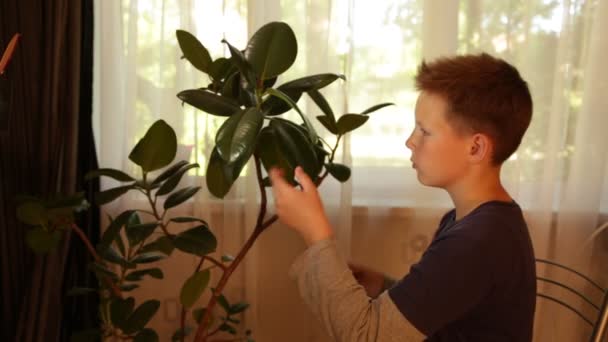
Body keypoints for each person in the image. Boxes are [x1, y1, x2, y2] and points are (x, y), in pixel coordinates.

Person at [268, 53, 536, 341]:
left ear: (476, 148)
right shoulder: (474, 221)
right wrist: (382, 285)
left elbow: (366, 337)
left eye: (424, 130)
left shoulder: (476, 241)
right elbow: (448, 307)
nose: (410, 141)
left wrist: (315, 232)